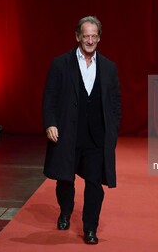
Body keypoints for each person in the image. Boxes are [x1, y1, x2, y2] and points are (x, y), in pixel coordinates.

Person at [42, 16, 121, 244]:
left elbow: (115, 102)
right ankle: (65, 211)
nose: (89, 40)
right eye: (85, 35)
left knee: (95, 183)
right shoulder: (60, 63)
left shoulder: (109, 67)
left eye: (94, 36)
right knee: (65, 179)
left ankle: (90, 228)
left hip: (97, 136)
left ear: (99, 38)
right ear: (77, 36)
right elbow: (50, 96)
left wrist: (112, 130)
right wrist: (50, 122)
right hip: (67, 133)